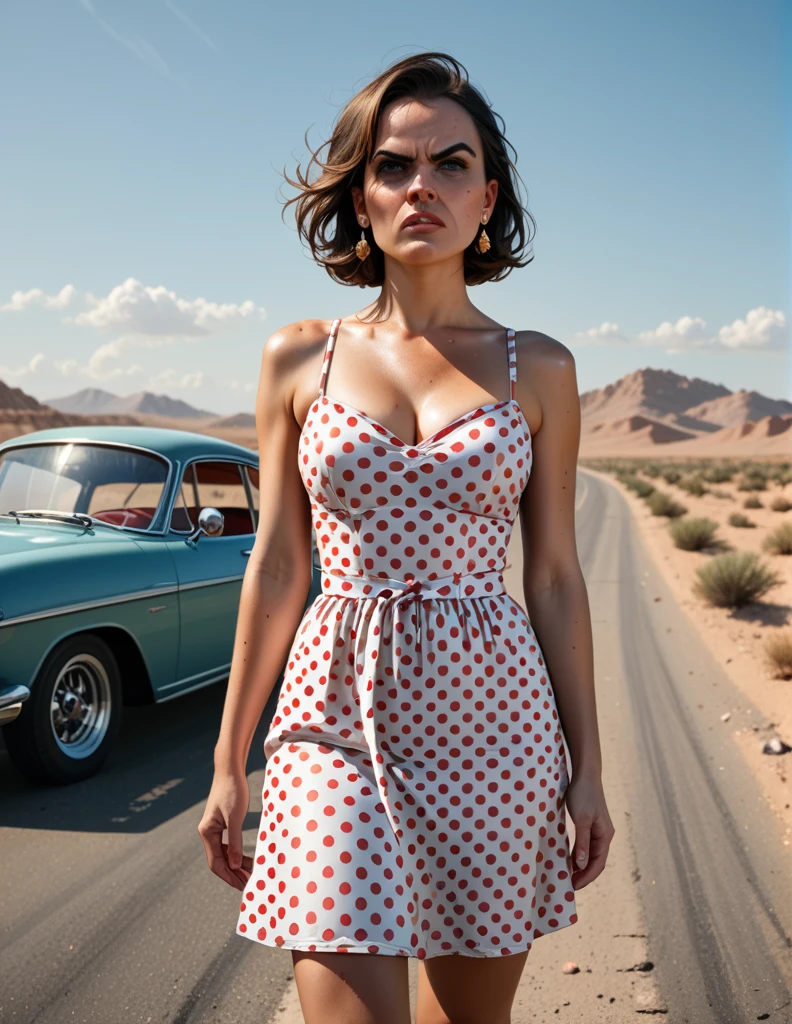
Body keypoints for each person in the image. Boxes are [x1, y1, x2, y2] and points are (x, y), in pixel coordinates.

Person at [198, 51, 614, 1024]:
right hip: (330, 720)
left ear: (488, 197)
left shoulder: (539, 367)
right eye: (394, 164)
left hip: (494, 728)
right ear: (361, 195)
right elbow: (278, 562)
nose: (421, 183)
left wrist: (588, 766)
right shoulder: (299, 354)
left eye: (451, 163)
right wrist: (229, 759)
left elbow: (554, 577)